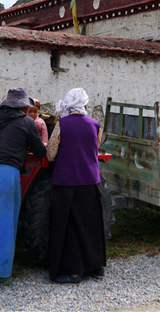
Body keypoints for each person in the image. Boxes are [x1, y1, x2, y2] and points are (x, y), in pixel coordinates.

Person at [0, 87, 46, 285]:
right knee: (3, 224)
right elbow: (39, 151)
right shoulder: (27, 123)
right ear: (23, 106)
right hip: (4, 173)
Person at [46, 88, 106, 284]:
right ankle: (96, 268)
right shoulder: (96, 125)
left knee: (69, 226)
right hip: (91, 181)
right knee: (91, 225)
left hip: (67, 182)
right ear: (85, 105)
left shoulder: (61, 124)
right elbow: (95, 149)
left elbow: (50, 153)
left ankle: (73, 272)